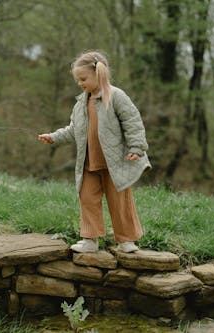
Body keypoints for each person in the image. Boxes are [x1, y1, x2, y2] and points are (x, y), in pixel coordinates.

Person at [38, 50, 151, 253]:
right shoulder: (81, 103)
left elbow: (132, 122)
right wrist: (54, 137)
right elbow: (73, 129)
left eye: (83, 78)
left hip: (115, 162)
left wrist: (137, 147)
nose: (80, 83)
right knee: (87, 199)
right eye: (77, 80)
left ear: (98, 73)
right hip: (89, 162)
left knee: (120, 202)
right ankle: (90, 239)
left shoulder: (115, 96)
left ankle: (126, 239)